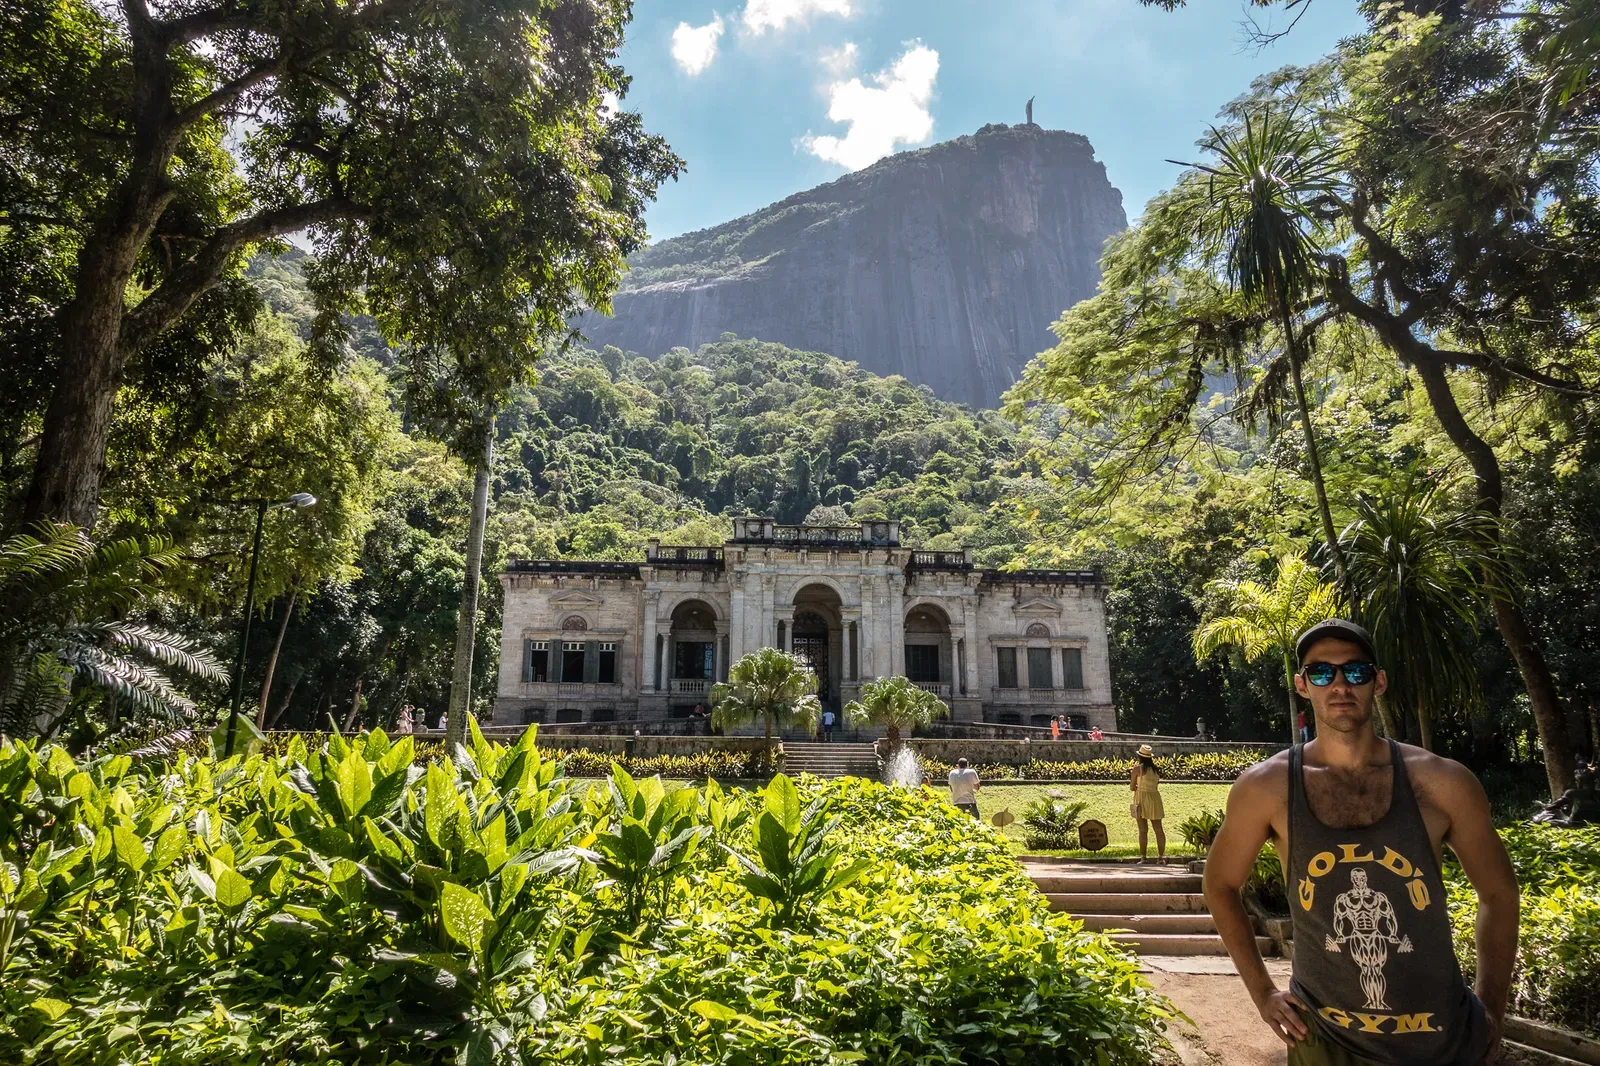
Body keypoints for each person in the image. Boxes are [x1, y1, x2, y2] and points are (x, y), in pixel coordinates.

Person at [1204, 618, 1519, 1066]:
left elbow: (1499, 892)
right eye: (1321, 672)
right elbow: (1220, 885)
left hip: (1441, 1039)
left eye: (1355, 672)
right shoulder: (1266, 788)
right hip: (1327, 1042)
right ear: (1301, 684)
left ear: (1379, 681)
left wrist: (1490, 1008)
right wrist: (1263, 994)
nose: (1339, 685)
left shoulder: (1442, 782)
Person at [1130, 743, 1166, 863]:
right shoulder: (1156, 770)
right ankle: (1161, 857)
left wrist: (1137, 786)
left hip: (1141, 798)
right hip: (1155, 798)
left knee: (1142, 830)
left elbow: (1131, 787)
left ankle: (1143, 857)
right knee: (1158, 829)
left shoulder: (1137, 769)